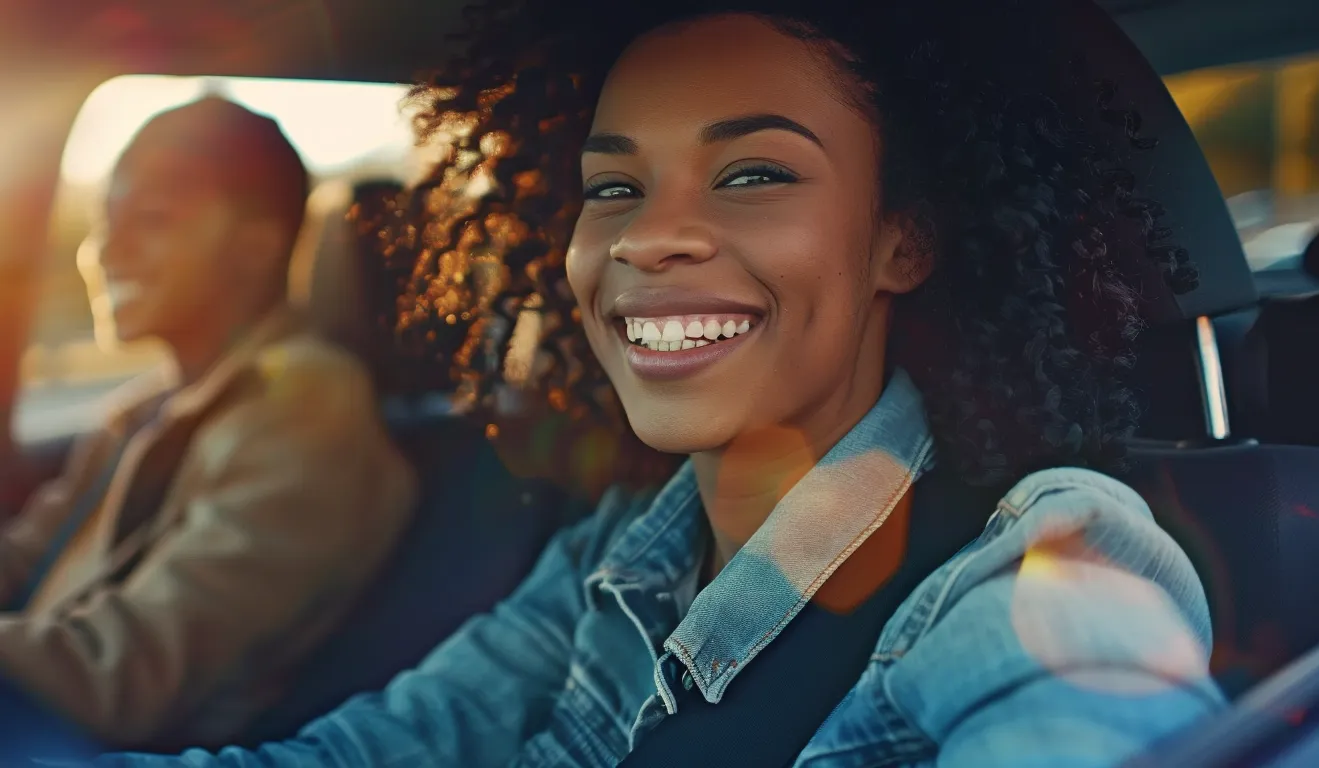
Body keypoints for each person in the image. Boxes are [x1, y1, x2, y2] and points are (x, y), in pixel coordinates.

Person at [94, 0, 1222, 765]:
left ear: (902, 240)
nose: (649, 239)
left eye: (751, 173)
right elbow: (375, 748)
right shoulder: (612, 558)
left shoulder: (1039, 569)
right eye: (614, 189)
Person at [0, 98, 416, 750]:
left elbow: (129, 672)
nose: (107, 248)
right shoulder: (140, 412)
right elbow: (28, 558)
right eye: (104, 221)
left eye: (152, 219)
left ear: (255, 246)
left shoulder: (307, 407)